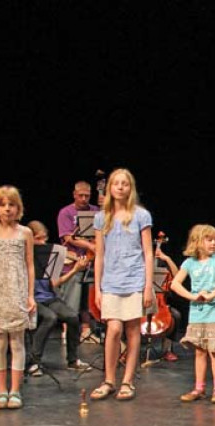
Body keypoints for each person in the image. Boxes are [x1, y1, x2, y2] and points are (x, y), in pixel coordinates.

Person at [89, 168, 154, 402]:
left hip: (135, 279)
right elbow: (99, 255)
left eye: (124, 183)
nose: (119, 187)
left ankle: (127, 380)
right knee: (114, 329)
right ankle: (109, 380)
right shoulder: (101, 218)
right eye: (116, 183)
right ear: (110, 188)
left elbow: (148, 253)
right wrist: (97, 288)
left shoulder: (141, 215)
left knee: (133, 330)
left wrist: (148, 286)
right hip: (111, 281)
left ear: (130, 188)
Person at [0, 186, 36, 409]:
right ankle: (1, 390)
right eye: (2, 205)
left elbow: (30, 265)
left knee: (17, 342)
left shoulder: (25, 233)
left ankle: (15, 391)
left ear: (18, 208)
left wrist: (30, 295)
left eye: (11, 205)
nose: (7, 209)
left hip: (17, 291)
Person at [171, 224, 215, 403]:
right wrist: (193, 297)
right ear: (197, 242)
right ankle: (199, 388)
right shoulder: (189, 263)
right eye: (209, 239)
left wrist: (211, 295)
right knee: (199, 352)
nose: (214, 243)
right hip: (197, 314)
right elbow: (175, 284)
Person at [25, 221, 92, 375]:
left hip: (48, 297)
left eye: (44, 239)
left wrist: (75, 269)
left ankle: (73, 360)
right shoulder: (24, 256)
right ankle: (35, 362)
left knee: (72, 316)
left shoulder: (50, 255)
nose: (43, 243)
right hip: (31, 299)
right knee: (50, 317)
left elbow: (55, 282)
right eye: (38, 239)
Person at [57, 181, 100, 343]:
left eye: (87, 196)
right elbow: (68, 237)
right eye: (80, 195)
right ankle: (68, 333)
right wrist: (90, 245)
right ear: (74, 194)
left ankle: (86, 332)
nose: (83, 199)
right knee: (71, 300)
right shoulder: (66, 212)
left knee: (87, 301)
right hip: (73, 261)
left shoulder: (96, 211)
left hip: (92, 262)